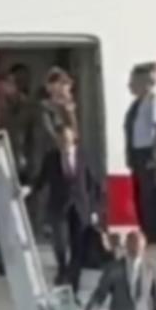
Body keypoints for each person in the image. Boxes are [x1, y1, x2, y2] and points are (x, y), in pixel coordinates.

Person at [43, 124, 106, 296]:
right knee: (61, 242)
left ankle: (74, 285)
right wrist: (27, 189)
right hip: (59, 207)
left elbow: (94, 185)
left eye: (67, 139)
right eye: (61, 139)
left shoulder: (83, 156)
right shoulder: (51, 158)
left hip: (80, 208)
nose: (64, 142)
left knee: (78, 248)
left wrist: (94, 210)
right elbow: (41, 179)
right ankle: (62, 269)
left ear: (73, 139)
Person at [123, 62, 156, 244]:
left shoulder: (153, 102)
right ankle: (146, 230)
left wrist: (154, 153)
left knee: (150, 196)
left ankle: (154, 233)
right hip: (136, 153)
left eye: (133, 81)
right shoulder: (136, 104)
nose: (130, 85)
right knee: (140, 196)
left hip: (148, 152)